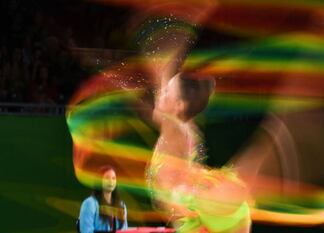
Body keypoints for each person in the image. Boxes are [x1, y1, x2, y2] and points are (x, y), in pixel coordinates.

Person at [147, 72, 251, 233]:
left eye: (167, 91)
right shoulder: (181, 126)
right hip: (193, 210)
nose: (161, 94)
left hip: (196, 212)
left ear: (178, 105)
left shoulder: (176, 130)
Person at [79, 165, 128, 233]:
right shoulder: (89, 204)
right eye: (107, 178)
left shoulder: (121, 205)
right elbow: (86, 231)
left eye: (113, 178)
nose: (111, 181)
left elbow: (124, 230)